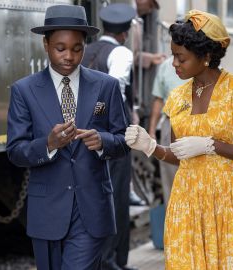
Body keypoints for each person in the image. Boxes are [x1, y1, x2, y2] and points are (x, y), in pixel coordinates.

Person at [125, 10, 233, 269]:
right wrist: (150, 146)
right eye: (173, 56)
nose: (174, 64)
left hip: (228, 201)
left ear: (205, 57)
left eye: (180, 58)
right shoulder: (178, 97)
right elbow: (178, 155)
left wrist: (212, 145)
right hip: (187, 200)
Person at [6, 5, 129, 270]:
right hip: (46, 211)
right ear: (46, 44)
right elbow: (15, 151)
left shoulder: (105, 86)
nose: (69, 56)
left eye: (77, 48)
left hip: (91, 211)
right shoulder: (24, 91)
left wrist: (103, 142)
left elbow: (123, 140)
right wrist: (48, 144)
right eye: (60, 48)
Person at [81, 4, 137, 270]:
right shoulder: (122, 52)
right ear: (124, 33)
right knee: (115, 197)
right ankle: (112, 261)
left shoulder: (85, 51)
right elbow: (114, 90)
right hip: (112, 135)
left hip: (81, 135)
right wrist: (99, 115)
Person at [148, 56, 186, 205]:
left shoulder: (204, 63)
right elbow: (158, 99)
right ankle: (173, 224)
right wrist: (151, 131)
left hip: (199, 126)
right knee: (171, 182)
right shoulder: (165, 66)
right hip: (170, 124)